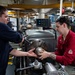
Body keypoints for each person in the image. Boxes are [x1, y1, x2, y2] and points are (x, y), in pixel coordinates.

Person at [0, 5, 37, 75]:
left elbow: (10, 50)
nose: (7, 19)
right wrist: (21, 38)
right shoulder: (1, 26)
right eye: (5, 16)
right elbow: (17, 38)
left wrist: (27, 53)